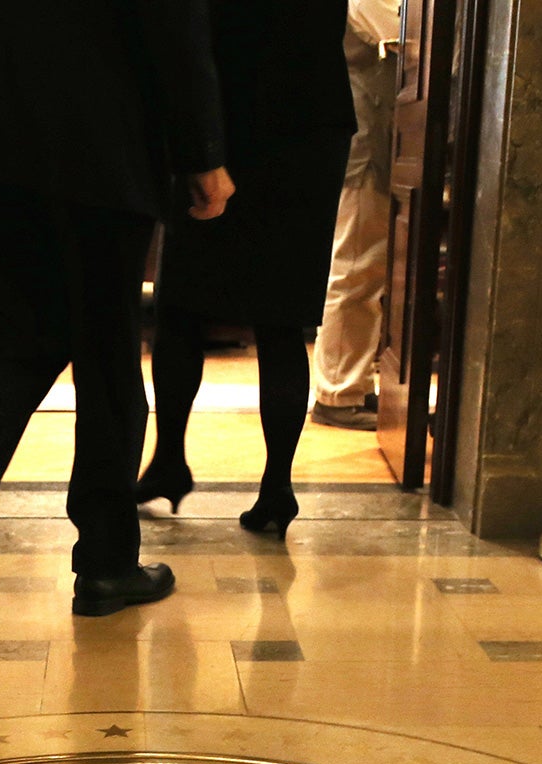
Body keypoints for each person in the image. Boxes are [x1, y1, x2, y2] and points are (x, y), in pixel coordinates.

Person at [0, 0, 233, 623]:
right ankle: (105, 565)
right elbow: (171, 18)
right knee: (108, 354)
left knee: (13, 337)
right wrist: (201, 150)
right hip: (99, 129)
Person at [134, 0, 356, 540]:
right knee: (281, 318)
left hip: (224, 113)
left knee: (181, 304)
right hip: (310, 122)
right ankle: (277, 486)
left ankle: (168, 459)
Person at [312, 0, 401, 432]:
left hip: (379, 141)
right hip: (364, 144)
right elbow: (402, 31)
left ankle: (352, 384)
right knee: (355, 267)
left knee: (368, 269)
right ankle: (338, 393)